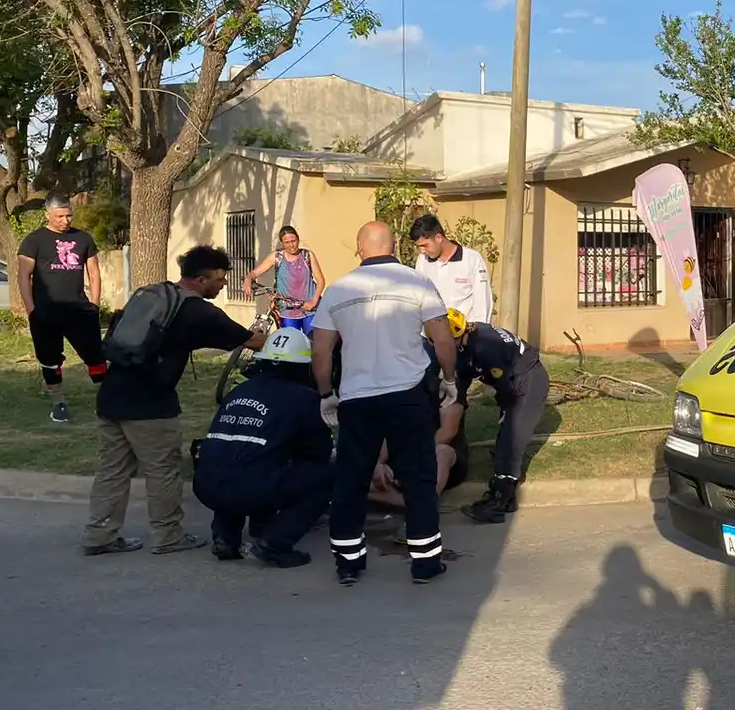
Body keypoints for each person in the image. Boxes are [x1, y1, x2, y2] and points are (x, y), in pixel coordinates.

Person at [82, 246, 266, 556]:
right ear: (199, 278)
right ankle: (167, 535)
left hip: (112, 396)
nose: (222, 286)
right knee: (163, 469)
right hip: (151, 404)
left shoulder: (155, 294)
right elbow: (252, 341)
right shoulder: (199, 311)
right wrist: (270, 335)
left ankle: (98, 535)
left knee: (112, 469)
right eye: (219, 280)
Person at [313, 221, 459, 586]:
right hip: (407, 394)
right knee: (418, 477)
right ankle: (425, 562)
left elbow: (320, 350)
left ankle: (348, 562)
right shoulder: (416, 282)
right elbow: (442, 339)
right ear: (393, 245)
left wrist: (326, 394)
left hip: (358, 398)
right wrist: (449, 379)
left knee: (351, 477)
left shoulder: (338, 290)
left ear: (360, 248)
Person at [192, 326, 334, 568]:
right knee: (327, 475)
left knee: (236, 460)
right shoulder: (303, 399)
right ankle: (276, 543)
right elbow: (318, 453)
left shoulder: (239, 391)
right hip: (251, 488)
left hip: (206, 484)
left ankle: (226, 537)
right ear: (302, 366)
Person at [453, 309, 551, 526]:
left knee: (512, 436)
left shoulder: (486, 346)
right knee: (506, 435)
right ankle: (507, 497)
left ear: (458, 334)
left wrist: (507, 409)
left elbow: (506, 384)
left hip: (528, 379)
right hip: (514, 377)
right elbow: (461, 381)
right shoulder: (467, 342)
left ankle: (498, 500)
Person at [17, 194, 108, 424]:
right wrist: (31, 310)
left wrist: (94, 305)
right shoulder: (33, 241)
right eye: (60, 216)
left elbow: (94, 273)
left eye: (69, 215)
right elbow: (23, 277)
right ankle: (58, 402)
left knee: (95, 356)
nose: (65, 220)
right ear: (47, 215)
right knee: (50, 359)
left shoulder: (83, 238)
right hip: (46, 312)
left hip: (79, 310)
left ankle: (106, 400)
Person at [369, 328, 470, 511]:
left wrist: (413, 457)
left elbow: (448, 432)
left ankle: (419, 503)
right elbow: (389, 431)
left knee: (442, 451)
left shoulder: (447, 387)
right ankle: (410, 503)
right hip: (405, 454)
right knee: (359, 475)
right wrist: (378, 463)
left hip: (440, 455)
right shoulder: (395, 390)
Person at [410, 214, 494, 325]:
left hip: (466, 334)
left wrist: (480, 332)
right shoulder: (422, 261)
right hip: (432, 335)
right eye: (419, 246)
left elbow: (483, 301)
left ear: (439, 238)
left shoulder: (472, 259)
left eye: (425, 245)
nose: (422, 251)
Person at [242, 225, 325, 335]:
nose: (291, 245)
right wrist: (248, 279)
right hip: (287, 312)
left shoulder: (307, 256)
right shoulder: (276, 257)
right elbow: (255, 273)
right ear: (282, 243)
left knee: (313, 344)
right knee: (289, 344)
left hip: (309, 311)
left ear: (298, 239)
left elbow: (321, 281)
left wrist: (313, 301)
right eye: (287, 242)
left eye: (293, 241)